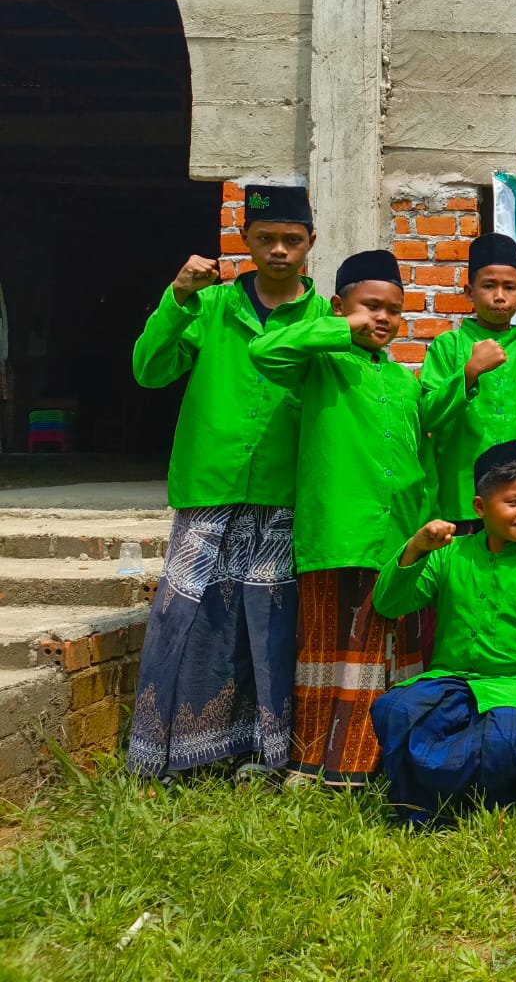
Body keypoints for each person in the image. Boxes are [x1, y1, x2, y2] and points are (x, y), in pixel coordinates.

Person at [126, 184, 325, 782]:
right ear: (246, 242)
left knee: (266, 623)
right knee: (187, 618)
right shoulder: (209, 309)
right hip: (209, 486)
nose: (280, 251)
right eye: (266, 239)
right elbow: (149, 370)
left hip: (282, 490)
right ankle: (176, 754)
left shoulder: (324, 318)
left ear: (311, 243)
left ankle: (263, 752)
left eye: (293, 240)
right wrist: (178, 296)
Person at [249, 249, 427, 786]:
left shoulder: (403, 382)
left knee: (385, 654)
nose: (382, 318)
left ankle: (373, 764)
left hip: (394, 538)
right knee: (329, 652)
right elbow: (263, 350)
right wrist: (334, 328)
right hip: (337, 535)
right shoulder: (321, 363)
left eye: (393, 309)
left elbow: (420, 458)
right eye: (369, 306)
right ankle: (315, 764)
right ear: (338, 305)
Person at [369, 441, 516, 824]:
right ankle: (448, 799)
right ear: (480, 508)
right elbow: (388, 604)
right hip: (451, 680)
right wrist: (416, 548)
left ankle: (440, 799)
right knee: (395, 711)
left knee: (511, 741)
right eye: (513, 502)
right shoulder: (450, 554)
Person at [421, 233, 516, 540]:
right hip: (463, 503)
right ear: (469, 291)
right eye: (488, 286)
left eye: (509, 287)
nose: (499, 296)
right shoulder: (448, 347)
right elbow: (428, 416)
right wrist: (469, 373)